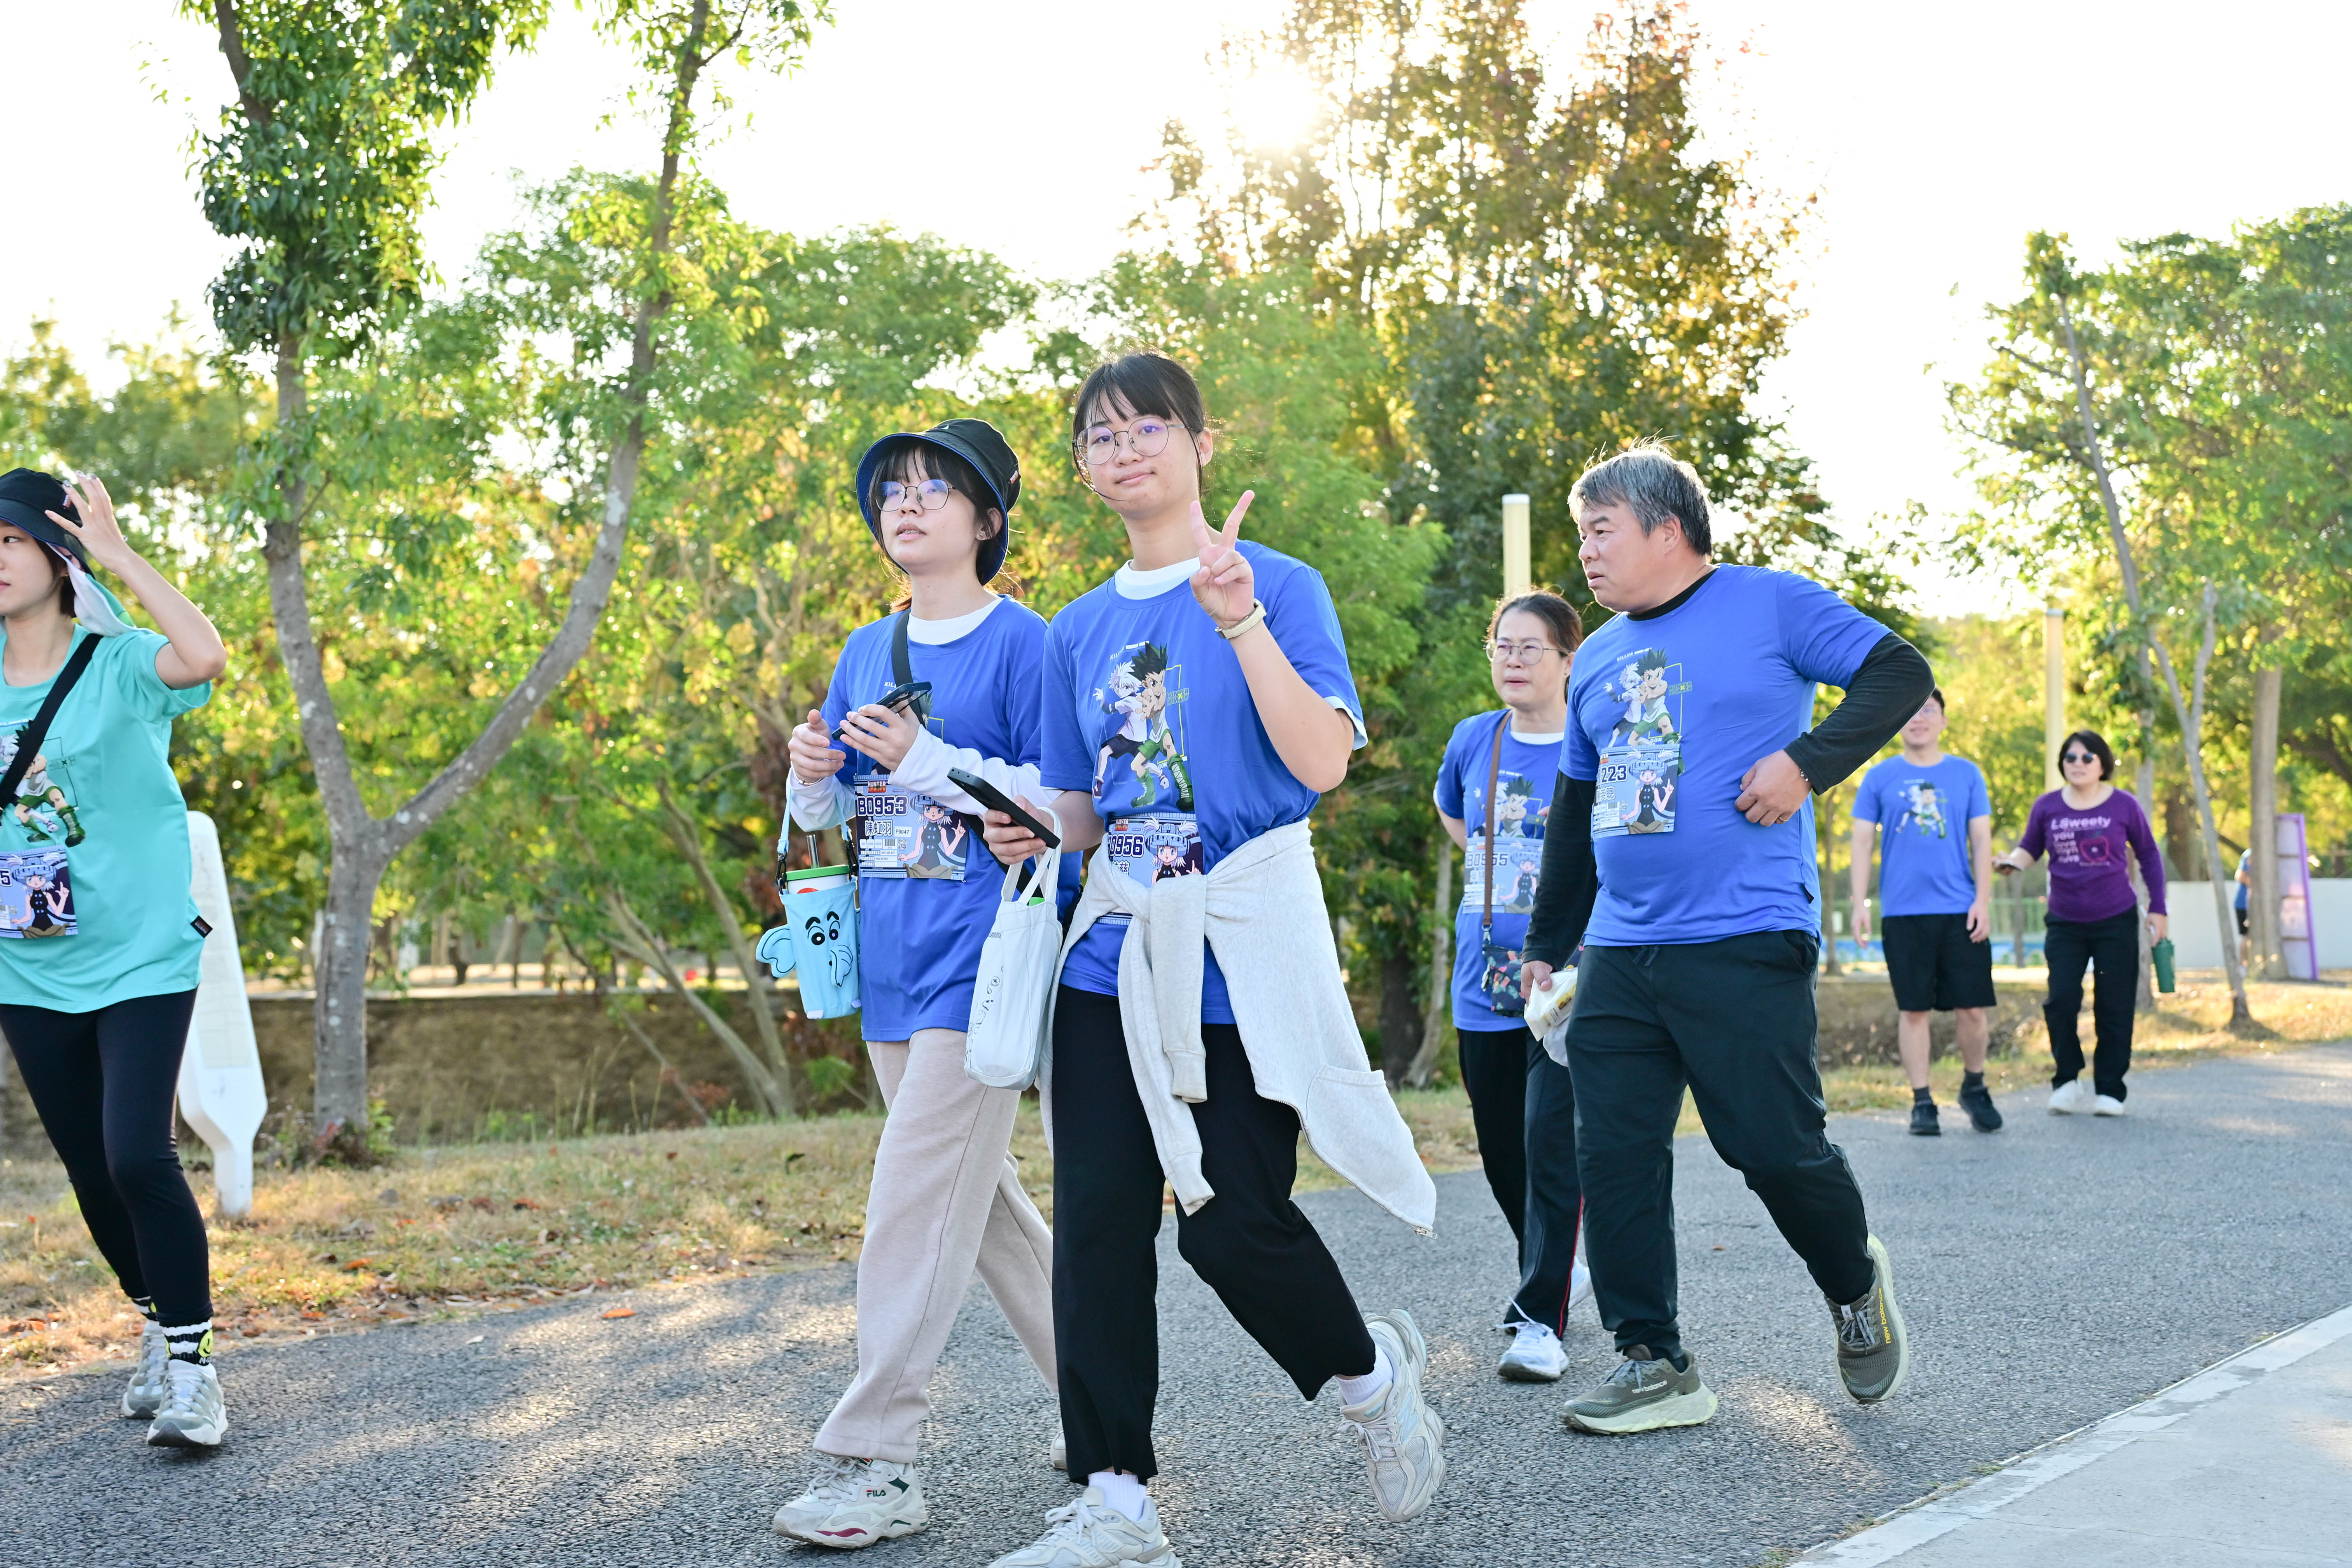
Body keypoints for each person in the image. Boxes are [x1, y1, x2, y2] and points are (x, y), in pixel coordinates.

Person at [976, 353, 1444, 1567]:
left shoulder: (1279, 584)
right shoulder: (1076, 630)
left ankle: (1370, 1377)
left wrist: (1237, 620)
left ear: (1201, 442)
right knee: (1097, 1228)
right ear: (1084, 470)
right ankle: (1117, 1501)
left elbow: (1322, 764)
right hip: (1111, 954)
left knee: (1231, 1224)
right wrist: (1030, 820)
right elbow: (1086, 806)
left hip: (1238, 945)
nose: (1124, 449)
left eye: (1147, 427)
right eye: (1101, 435)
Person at [1519, 443, 1932, 1435]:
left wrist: (1807, 763)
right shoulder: (1599, 657)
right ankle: (1653, 1361)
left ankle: (1852, 1284)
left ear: (1668, 528)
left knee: (1773, 1149)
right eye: (1581, 534)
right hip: (1620, 949)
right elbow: (1576, 809)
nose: (1586, 551)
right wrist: (1549, 941)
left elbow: (1899, 672)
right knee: (1613, 1155)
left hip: (1745, 932)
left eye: (1601, 530)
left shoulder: (1769, 604)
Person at [775, 419, 1064, 1549]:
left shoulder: (1027, 644)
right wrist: (811, 778)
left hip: (983, 965)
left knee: (909, 1202)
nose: (906, 504)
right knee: (975, 1209)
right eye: (892, 489)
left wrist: (926, 759)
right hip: (891, 964)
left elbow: (1055, 803)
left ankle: (877, 1459)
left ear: (987, 520)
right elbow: (843, 812)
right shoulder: (866, 648)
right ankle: (1101, 1395)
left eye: (936, 490)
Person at [0, 468, 229, 1446]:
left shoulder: (121, 662)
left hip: (140, 951)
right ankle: (157, 1323)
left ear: (57, 558)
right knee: (91, 1169)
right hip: (27, 962)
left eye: (8, 541)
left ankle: (195, 1369)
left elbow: (204, 655)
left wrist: (121, 555)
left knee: (138, 1152)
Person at [1433, 592, 1592, 1382]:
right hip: (1483, 978)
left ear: (1568, 660)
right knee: (1502, 1152)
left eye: (1532, 648)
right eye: (1502, 645)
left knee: (1548, 1145)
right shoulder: (1474, 739)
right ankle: (1555, 1267)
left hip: (1568, 979)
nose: (1514, 660)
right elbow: (1458, 822)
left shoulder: (1590, 744)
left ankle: (1539, 1320)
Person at [1850, 690, 2002, 1136]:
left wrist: (1983, 901)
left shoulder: (1967, 774)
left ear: (1943, 720)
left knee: (1972, 1009)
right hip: (1904, 913)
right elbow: (1862, 842)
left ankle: (1974, 1086)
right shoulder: (1878, 777)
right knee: (1914, 1010)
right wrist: (1859, 904)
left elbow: (1982, 841)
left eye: (1929, 710)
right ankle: (1922, 1101)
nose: (1919, 718)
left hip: (1961, 910)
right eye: (1911, 711)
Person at [1994, 730, 2166, 1116]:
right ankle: (2067, 1081)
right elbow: (2029, 848)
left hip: (2116, 919)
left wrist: (2159, 908)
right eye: (2070, 758)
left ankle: (2111, 1089)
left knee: (2114, 1004)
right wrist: (2011, 863)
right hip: (2065, 922)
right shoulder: (2047, 806)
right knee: (2061, 1000)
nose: (2078, 764)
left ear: (2103, 764)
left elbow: (2149, 854)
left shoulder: (2124, 805)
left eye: (2088, 757)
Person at [2234, 845, 2253, 970]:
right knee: (2246, 935)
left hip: (2253, 904)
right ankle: (2243, 966)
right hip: (2244, 904)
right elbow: (2241, 876)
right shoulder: (2250, 855)